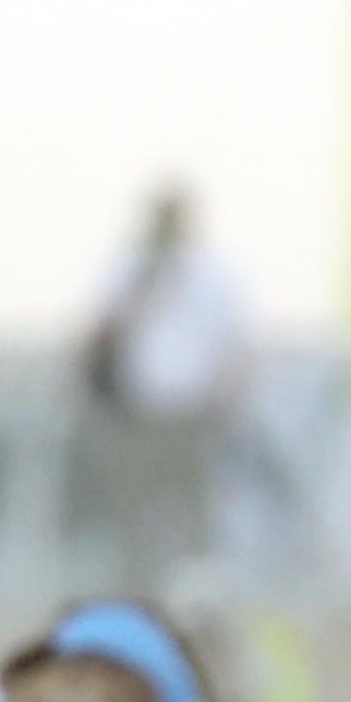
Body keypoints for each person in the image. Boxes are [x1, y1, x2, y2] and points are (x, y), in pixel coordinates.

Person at [74, 183, 249, 596]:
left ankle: (195, 599)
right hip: (138, 415)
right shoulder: (129, 271)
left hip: (192, 415)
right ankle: (138, 595)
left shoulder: (211, 275)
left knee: (192, 517)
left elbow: (233, 345)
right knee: (134, 516)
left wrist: (222, 403)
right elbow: (103, 333)